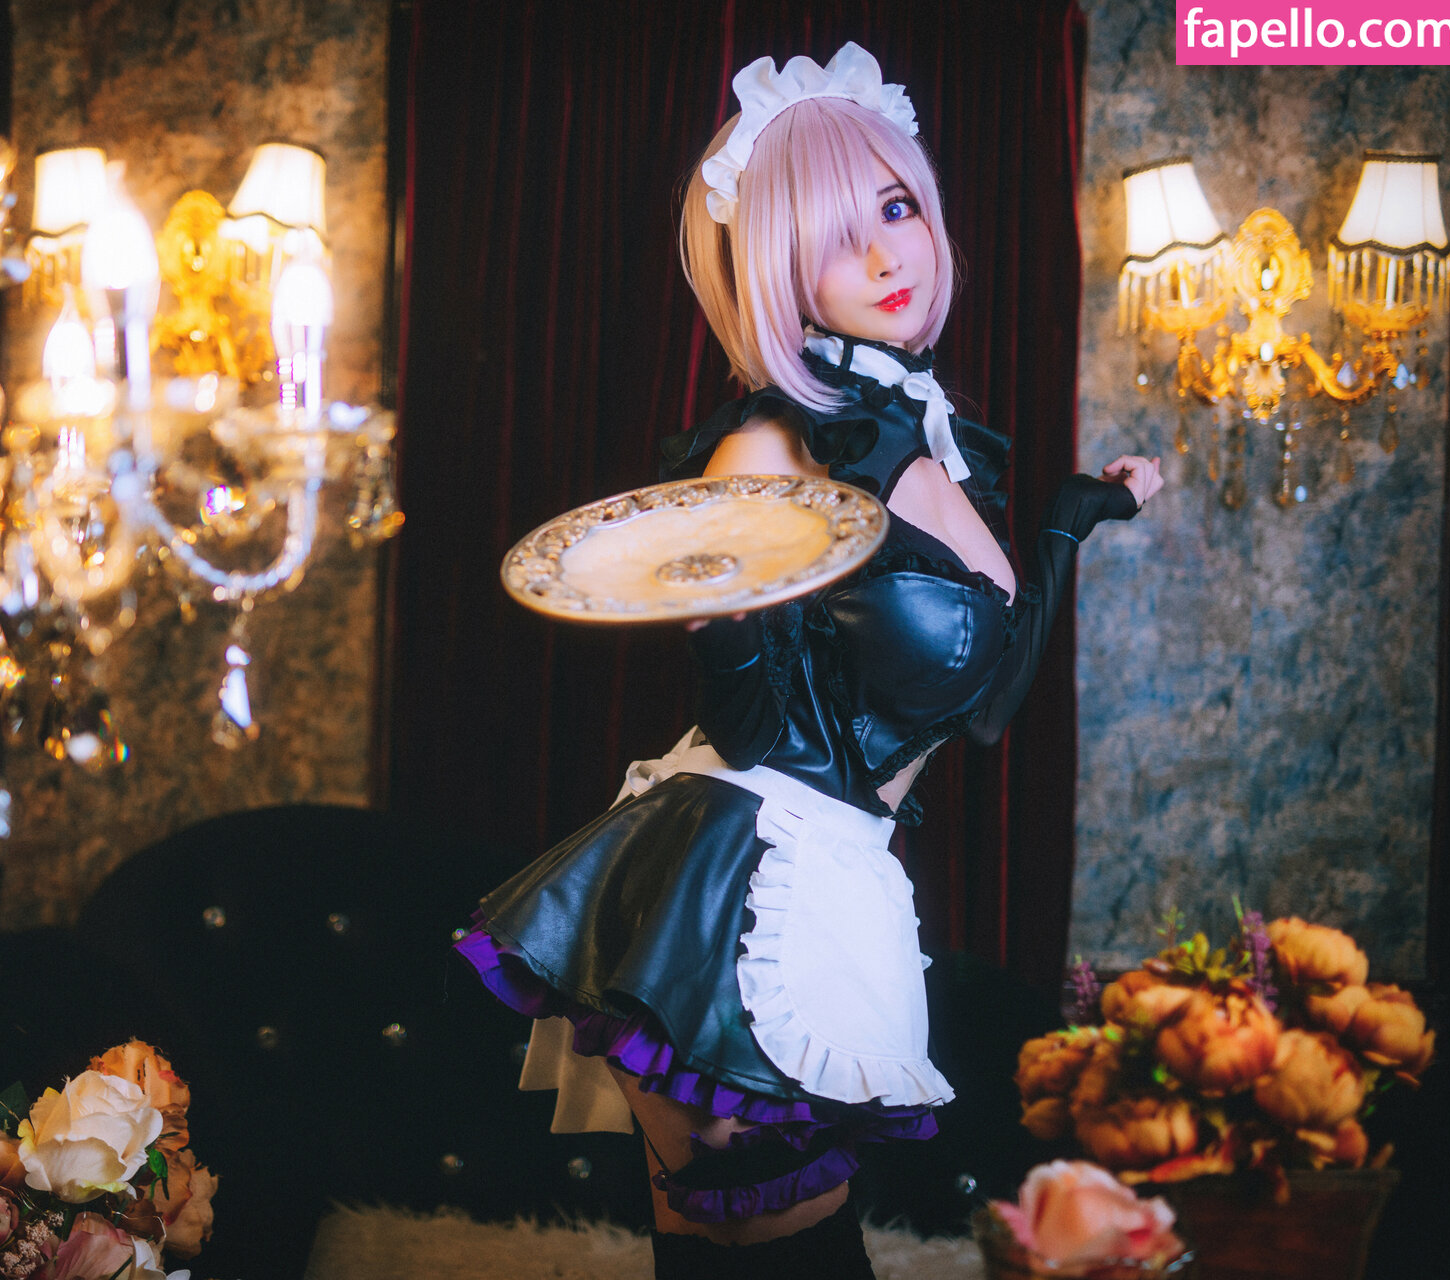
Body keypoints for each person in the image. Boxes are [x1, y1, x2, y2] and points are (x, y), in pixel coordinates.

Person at [454, 43, 1162, 1279]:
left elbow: (986, 706)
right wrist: (724, 614)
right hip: (739, 881)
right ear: (780, 274)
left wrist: (1066, 519)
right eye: (837, 238)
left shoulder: (918, 444)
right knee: (769, 1257)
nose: (887, 255)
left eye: (894, 208)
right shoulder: (768, 450)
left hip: (835, 864)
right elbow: (751, 725)